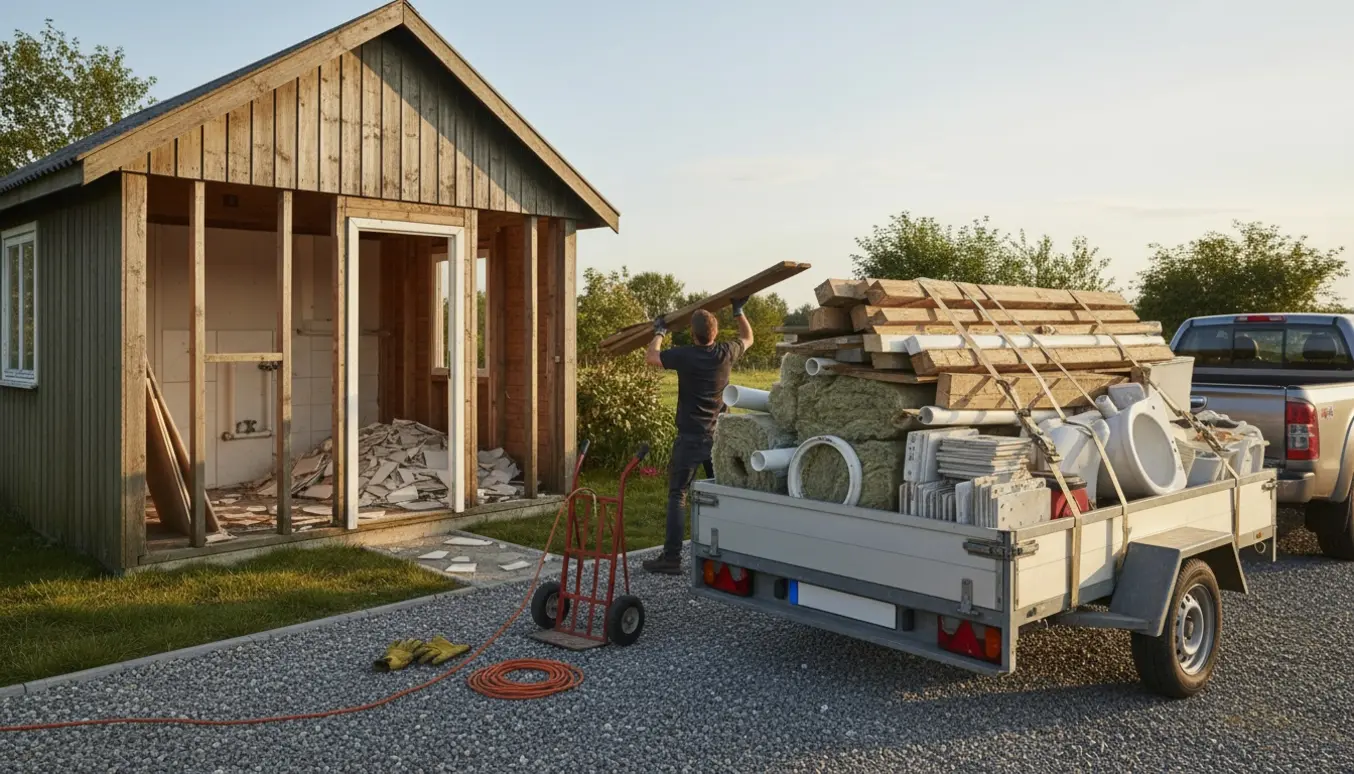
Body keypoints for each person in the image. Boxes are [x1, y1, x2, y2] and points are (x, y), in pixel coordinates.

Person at [640, 298, 754, 574]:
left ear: (693, 334)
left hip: (690, 438)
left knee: (678, 496)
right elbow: (748, 337)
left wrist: (659, 331)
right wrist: (738, 311)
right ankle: (736, 554)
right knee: (724, 495)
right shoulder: (726, 352)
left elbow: (651, 356)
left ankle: (671, 559)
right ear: (715, 333)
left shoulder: (685, 356)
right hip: (717, 438)